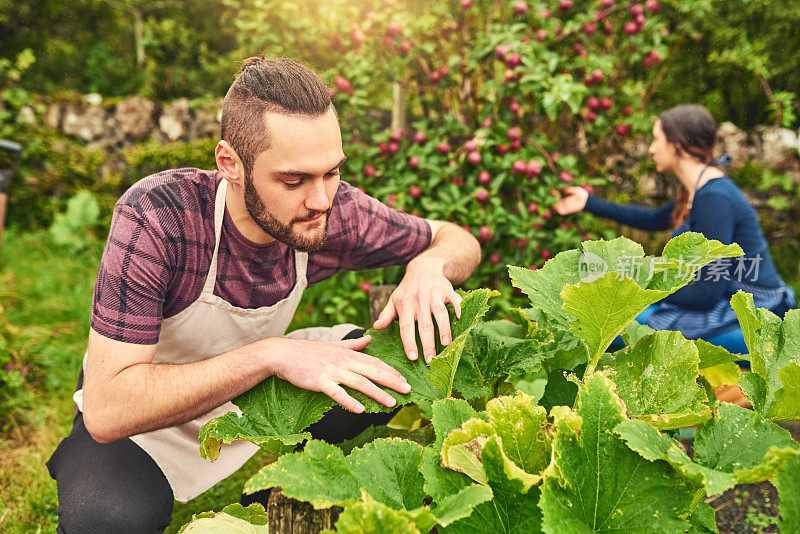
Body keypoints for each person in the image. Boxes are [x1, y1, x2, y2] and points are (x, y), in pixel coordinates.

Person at [46, 56, 481, 532]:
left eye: (331, 172)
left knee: (390, 367)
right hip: (144, 425)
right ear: (230, 163)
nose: (320, 201)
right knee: (106, 518)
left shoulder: (331, 210)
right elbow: (109, 410)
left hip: (258, 402)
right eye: (293, 180)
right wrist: (270, 354)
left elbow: (458, 238)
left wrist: (428, 265)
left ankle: (280, 487)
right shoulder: (160, 217)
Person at [554, 104, 796, 354]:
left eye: (656, 139)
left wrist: (635, 284)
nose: (651, 148)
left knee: (618, 322)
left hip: (756, 319)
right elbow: (651, 219)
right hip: (727, 302)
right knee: (617, 314)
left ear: (676, 146)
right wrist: (588, 202)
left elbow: (705, 294)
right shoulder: (699, 190)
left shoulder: (715, 200)